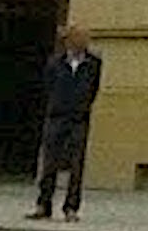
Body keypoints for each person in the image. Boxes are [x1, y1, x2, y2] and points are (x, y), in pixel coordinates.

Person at [31, 21, 104, 217]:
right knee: (50, 162)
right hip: (56, 116)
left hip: (79, 118)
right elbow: (48, 86)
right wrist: (56, 105)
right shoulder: (55, 62)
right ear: (69, 40)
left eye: (86, 38)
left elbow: (93, 88)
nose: (83, 41)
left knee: (76, 164)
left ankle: (71, 207)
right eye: (79, 37)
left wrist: (83, 107)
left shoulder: (93, 63)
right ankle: (44, 204)